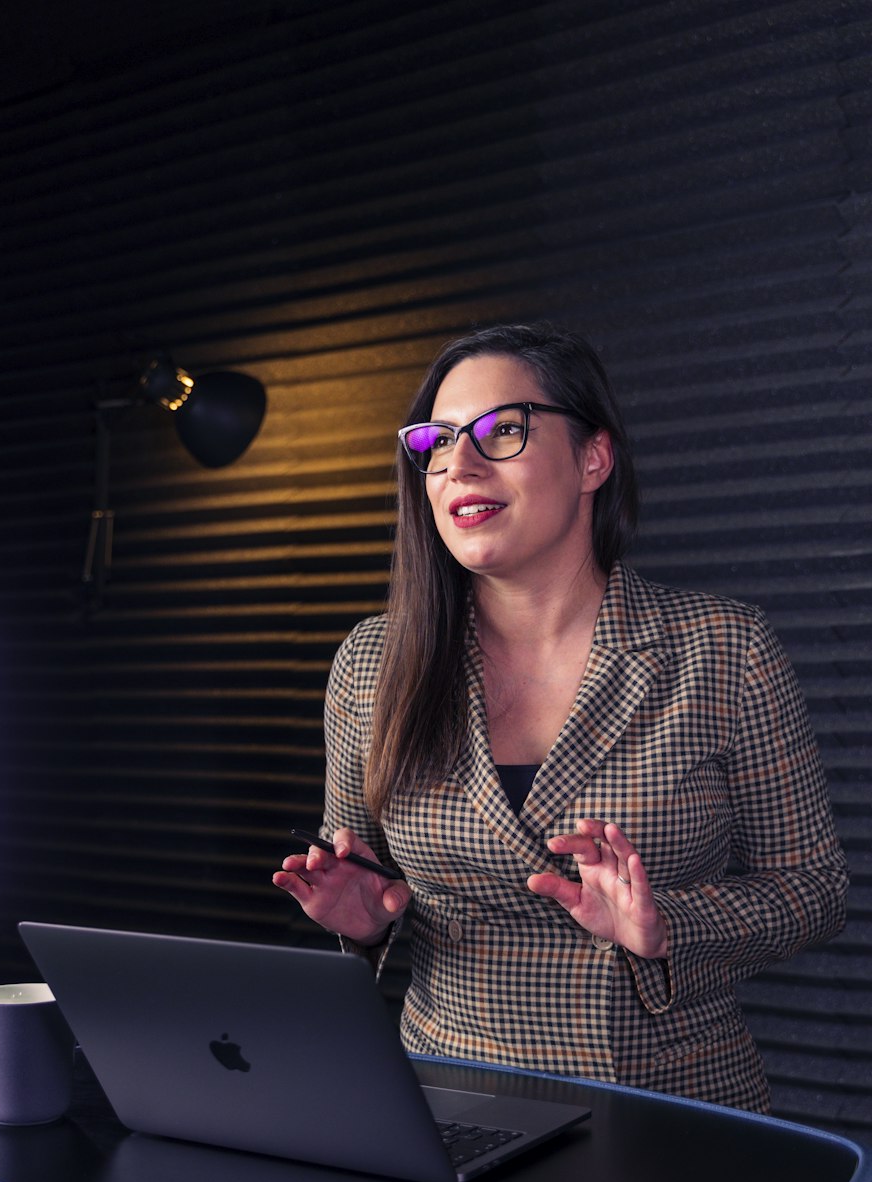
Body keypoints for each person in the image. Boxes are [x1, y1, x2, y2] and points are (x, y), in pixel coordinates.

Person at [272, 322, 847, 1112]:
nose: (458, 464)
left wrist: (664, 923)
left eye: (502, 430)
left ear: (593, 458)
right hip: (449, 1099)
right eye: (435, 442)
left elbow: (813, 892)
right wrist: (361, 919)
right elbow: (364, 877)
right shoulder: (372, 663)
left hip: (669, 1107)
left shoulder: (722, 648)